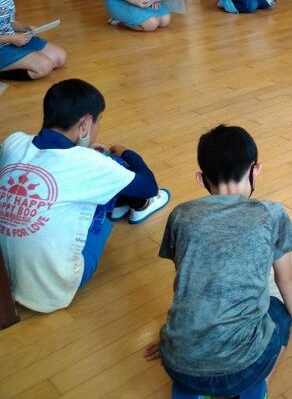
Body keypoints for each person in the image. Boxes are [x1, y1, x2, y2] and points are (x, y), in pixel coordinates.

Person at [144, 125, 292, 397]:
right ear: (255, 169)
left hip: (178, 364)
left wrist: (176, 339)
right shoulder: (272, 214)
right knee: (279, 311)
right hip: (243, 370)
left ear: (201, 179)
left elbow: (188, 280)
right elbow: (286, 278)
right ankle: (255, 387)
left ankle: (194, 388)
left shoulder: (180, 215)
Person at [0, 79, 170, 312]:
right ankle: (139, 207)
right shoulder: (90, 162)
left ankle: (120, 200)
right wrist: (127, 152)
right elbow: (149, 186)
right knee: (114, 166)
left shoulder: (13, 142)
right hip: (52, 289)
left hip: (4, 277)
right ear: (85, 124)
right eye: (99, 121)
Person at [0, 0, 67, 81]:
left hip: (12, 40)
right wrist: (10, 38)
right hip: (6, 43)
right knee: (44, 67)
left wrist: (26, 27)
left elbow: (9, 22)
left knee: (60, 58)